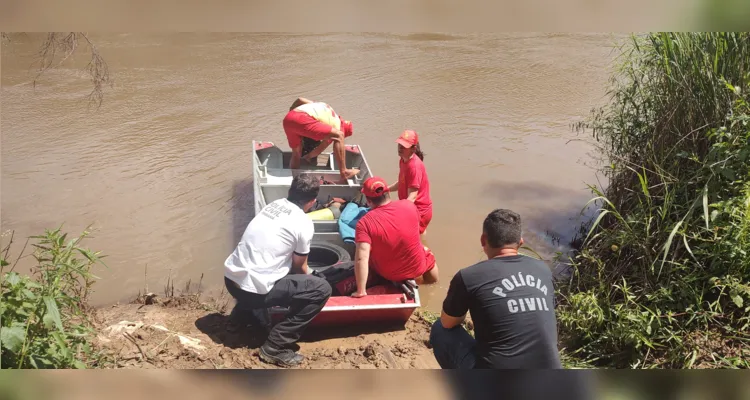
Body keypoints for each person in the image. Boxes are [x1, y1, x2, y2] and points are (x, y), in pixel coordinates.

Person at [429, 209, 562, 369]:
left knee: (440, 329)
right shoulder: (543, 270)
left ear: (483, 240)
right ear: (520, 242)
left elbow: (448, 323)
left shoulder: (469, 276)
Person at [223, 173, 332, 367]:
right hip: (251, 293)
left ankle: (241, 316)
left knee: (264, 267)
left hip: (231, 280)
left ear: (289, 191)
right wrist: (319, 277)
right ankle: (275, 346)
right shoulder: (303, 223)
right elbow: (300, 268)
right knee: (321, 289)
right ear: (313, 201)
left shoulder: (272, 206)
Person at [350, 176, 439, 298]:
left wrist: (361, 290)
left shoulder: (364, 223)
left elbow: (361, 258)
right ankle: (432, 285)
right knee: (425, 250)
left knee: (370, 253)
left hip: (390, 274)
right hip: (418, 267)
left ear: (368, 200)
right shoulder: (410, 206)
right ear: (388, 193)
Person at [282, 97, 360, 181]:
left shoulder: (327, 108)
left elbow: (300, 100)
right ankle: (344, 172)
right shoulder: (337, 127)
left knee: (296, 154)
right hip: (303, 118)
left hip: (288, 119)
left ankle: (293, 177)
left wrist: (291, 110)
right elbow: (320, 148)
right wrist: (309, 156)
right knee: (339, 136)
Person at [387, 129, 433, 235]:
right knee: (419, 237)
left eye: (404, 146)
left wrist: (395, 210)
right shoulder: (403, 160)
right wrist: (387, 189)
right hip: (412, 208)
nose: (400, 148)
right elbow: (402, 183)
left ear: (413, 149)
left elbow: (412, 197)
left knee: (408, 239)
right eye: (399, 145)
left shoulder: (414, 166)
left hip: (419, 211)